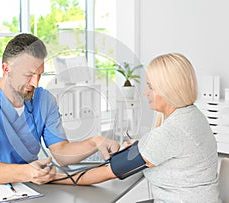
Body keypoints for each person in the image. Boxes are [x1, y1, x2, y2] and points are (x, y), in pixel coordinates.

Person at [53, 53, 220, 202]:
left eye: (151, 87)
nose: (145, 92)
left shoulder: (171, 132)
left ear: (169, 90)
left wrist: (54, 177)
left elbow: (110, 171)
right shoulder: (192, 116)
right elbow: (166, 149)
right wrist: (137, 149)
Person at [0, 33, 120, 185]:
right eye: (28, 75)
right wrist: (27, 172)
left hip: (28, 185)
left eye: (39, 75)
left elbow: (61, 153)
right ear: (6, 69)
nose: (35, 83)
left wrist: (96, 142)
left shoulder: (44, 100)